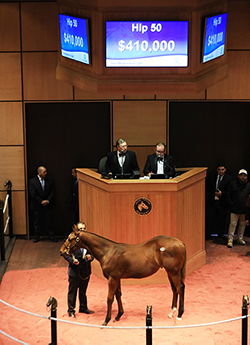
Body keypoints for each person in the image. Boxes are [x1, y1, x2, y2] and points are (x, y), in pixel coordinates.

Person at [64, 222, 94, 317]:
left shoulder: (88, 241)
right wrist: (72, 261)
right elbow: (65, 253)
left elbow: (93, 252)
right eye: (80, 228)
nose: (83, 230)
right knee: (72, 291)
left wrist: (91, 257)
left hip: (85, 271)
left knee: (83, 290)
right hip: (74, 271)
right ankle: (71, 310)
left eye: (84, 228)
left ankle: (83, 307)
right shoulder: (72, 240)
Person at [29, 166, 57, 243]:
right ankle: (36, 236)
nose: (46, 173)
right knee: (37, 222)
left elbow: (52, 191)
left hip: (48, 205)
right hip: (37, 205)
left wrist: (47, 201)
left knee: (49, 221)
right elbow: (32, 193)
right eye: (44, 172)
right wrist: (41, 201)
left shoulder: (49, 180)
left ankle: (51, 236)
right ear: (39, 173)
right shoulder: (32, 181)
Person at [205, 163, 233, 239]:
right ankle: (208, 233)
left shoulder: (228, 178)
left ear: (225, 169)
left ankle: (220, 233)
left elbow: (230, 191)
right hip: (212, 201)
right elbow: (208, 188)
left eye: (222, 170)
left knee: (221, 218)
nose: (221, 171)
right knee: (210, 218)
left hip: (222, 202)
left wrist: (222, 193)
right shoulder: (212, 177)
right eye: (219, 170)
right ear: (217, 170)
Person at [226, 169, 250, 248]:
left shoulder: (248, 185)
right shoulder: (233, 184)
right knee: (233, 224)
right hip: (234, 209)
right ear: (238, 176)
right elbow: (228, 195)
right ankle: (230, 239)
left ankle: (240, 238)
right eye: (241, 175)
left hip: (244, 209)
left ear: (246, 176)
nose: (243, 177)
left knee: (242, 225)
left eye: (244, 176)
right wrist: (231, 204)